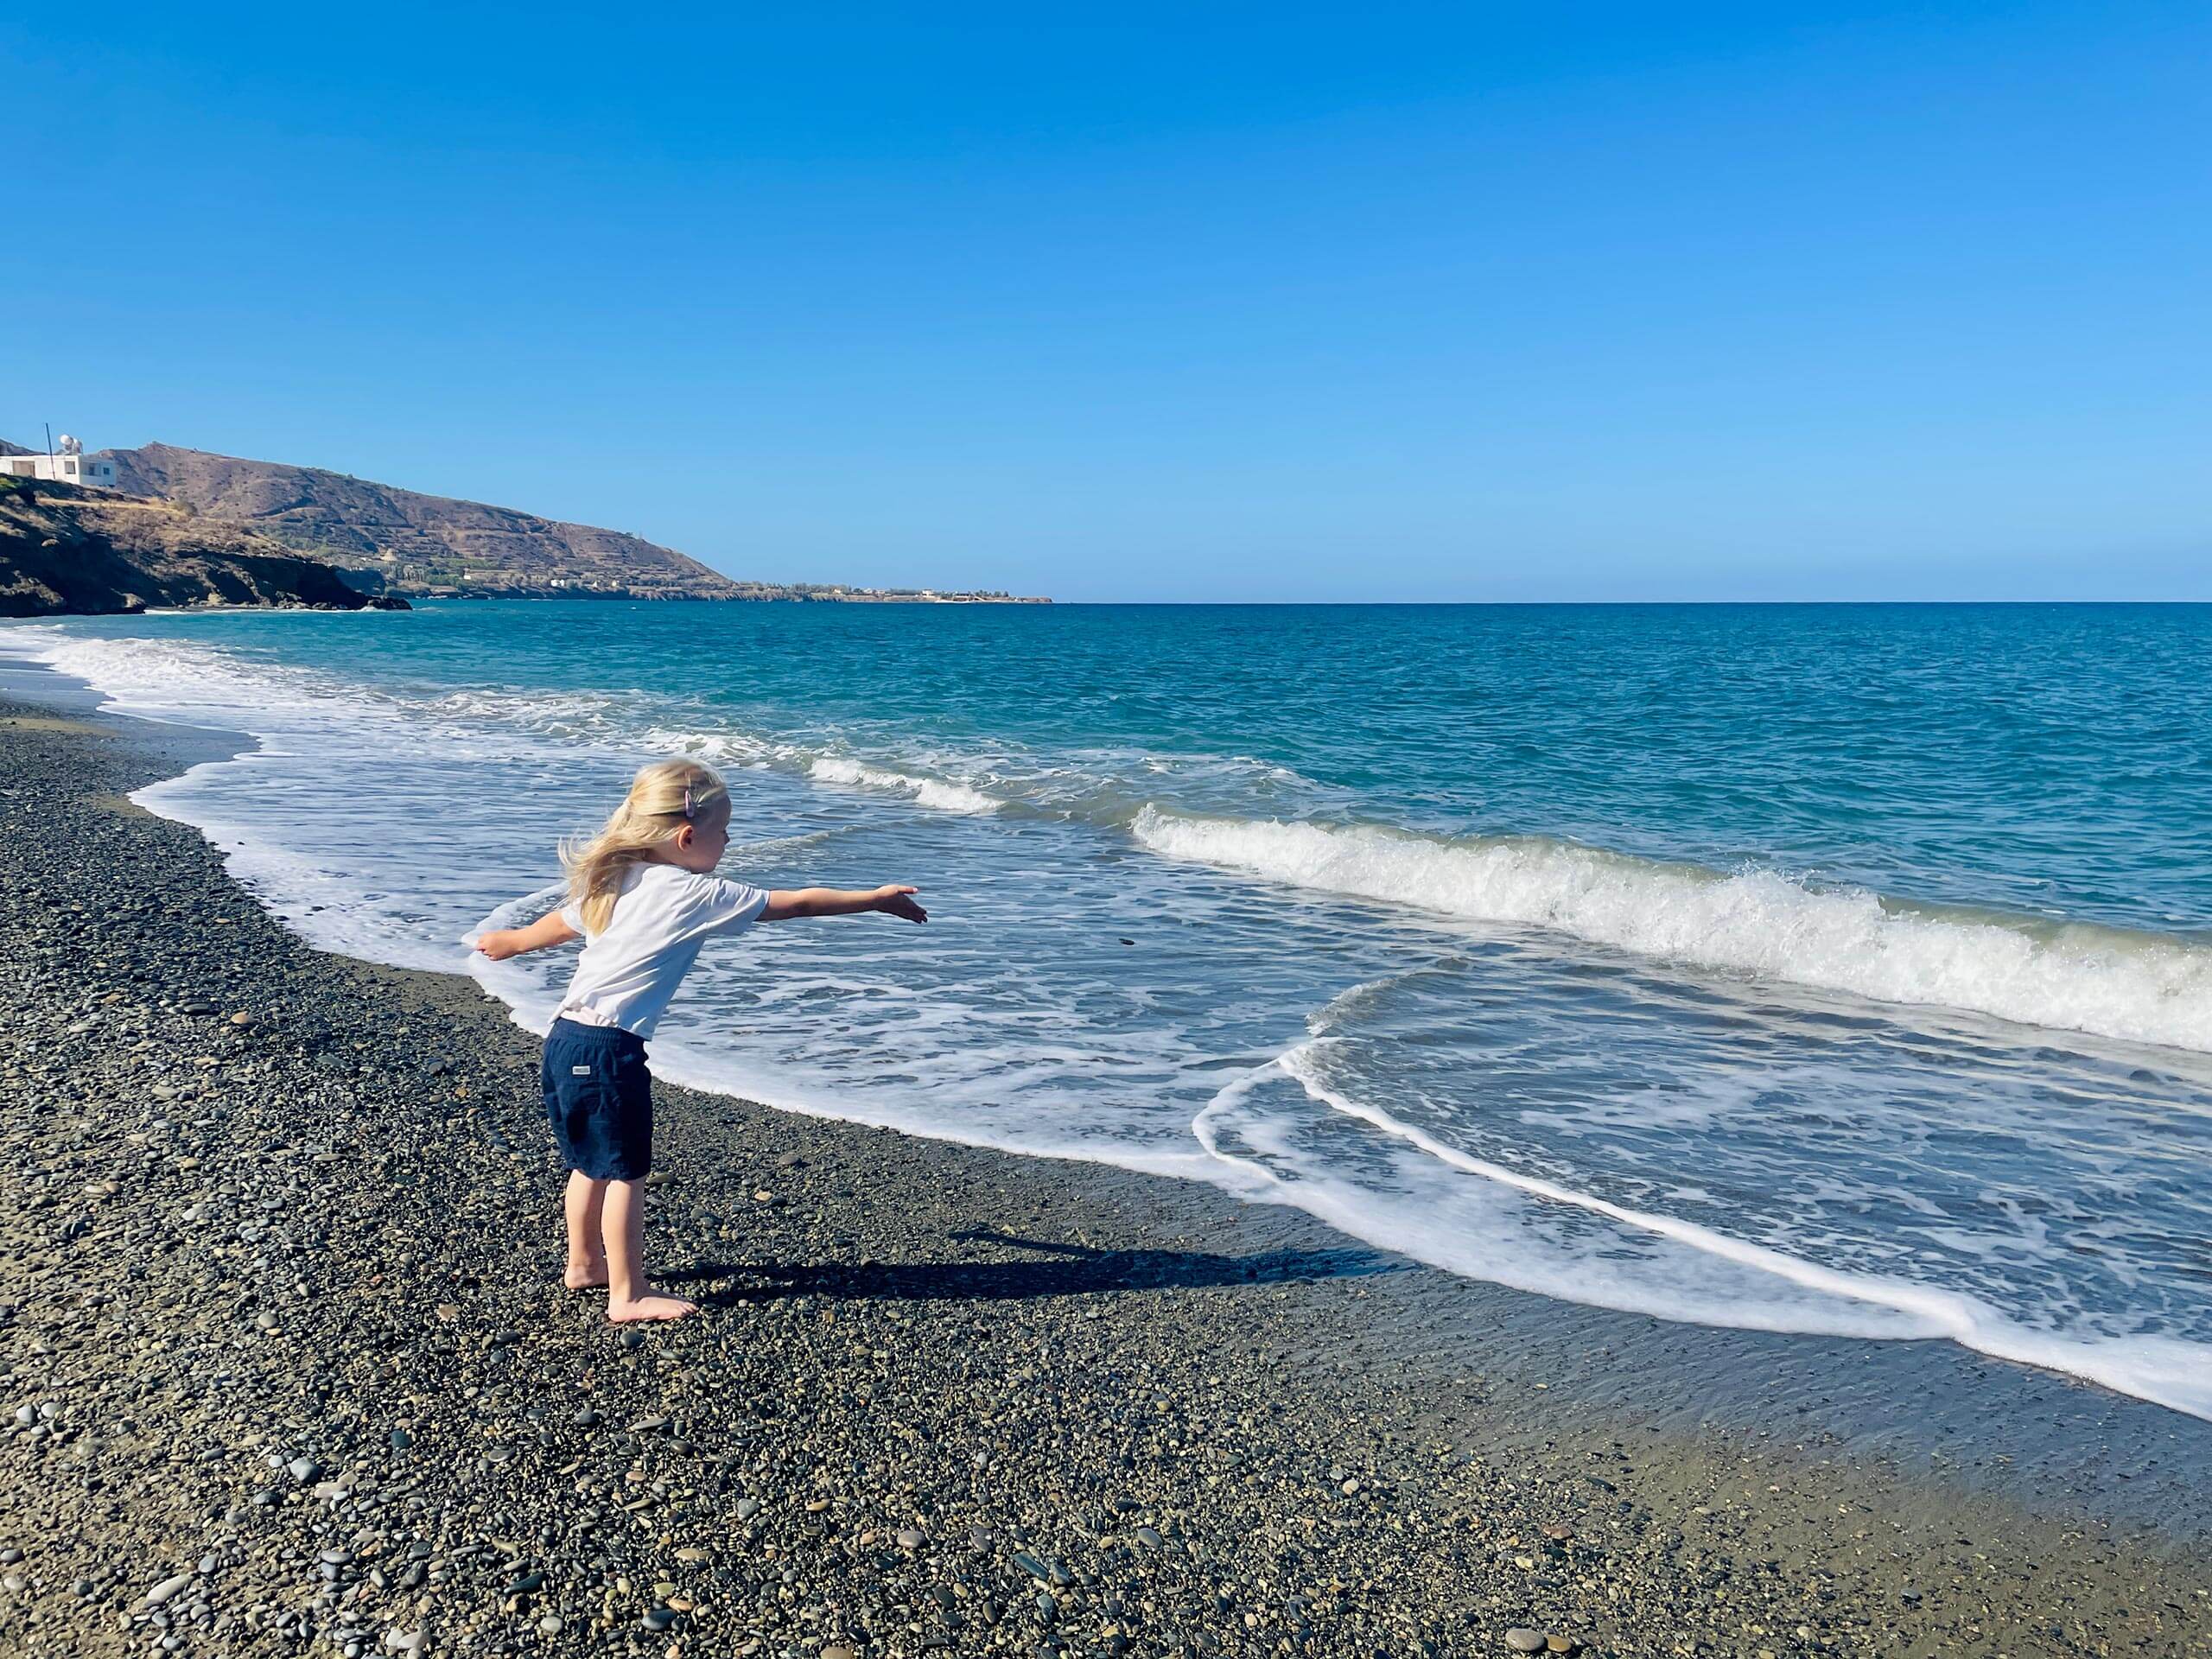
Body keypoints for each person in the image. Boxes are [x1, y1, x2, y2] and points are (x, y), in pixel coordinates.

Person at [473, 759, 925, 1322]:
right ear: (687, 838)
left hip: (566, 1039)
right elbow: (798, 904)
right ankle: (627, 1295)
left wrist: (513, 941)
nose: (729, 841)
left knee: (590, 1164)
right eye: (724, 831)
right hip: (609, 1050)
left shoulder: (616, 879)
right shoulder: (693, 892)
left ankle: (585, 1265)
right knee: (626, 1172)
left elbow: (561, 925)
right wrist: (874, 899)